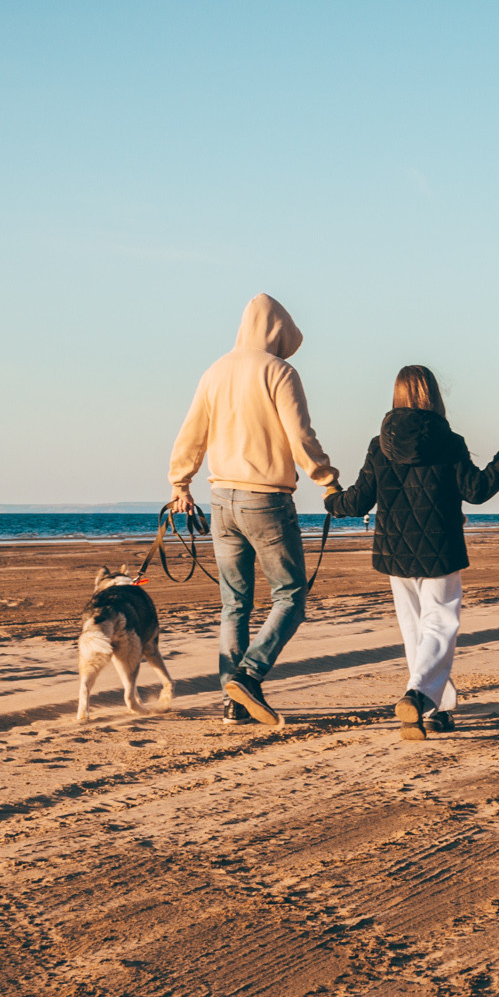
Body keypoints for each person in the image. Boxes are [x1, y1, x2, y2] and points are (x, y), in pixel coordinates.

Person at [167, 294, 340, 727]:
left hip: (220, 500)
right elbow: (300, 436)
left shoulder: (215, 371)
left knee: (234, 604)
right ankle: (248, 674)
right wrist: (327, 480)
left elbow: (192, 432)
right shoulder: (279, 371)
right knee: (291, 597)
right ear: (278, 331)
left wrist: (180, 483)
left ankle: (233, 704)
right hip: (266, 500)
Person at [326, 365, 499, 740]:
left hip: (395, 550)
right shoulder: (449, 442)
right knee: (440, 624)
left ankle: (435, 709)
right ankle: (418, 694)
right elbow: (477, 490)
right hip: (440, 547)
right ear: (434, 395)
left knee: (414, 628)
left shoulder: (379, 445)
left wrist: (332, 502)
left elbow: (360, 499)